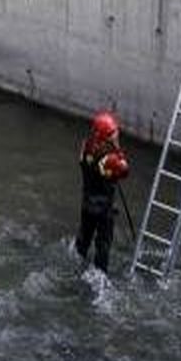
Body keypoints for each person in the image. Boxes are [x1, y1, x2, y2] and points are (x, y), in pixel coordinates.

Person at [75, 110, 130, 274]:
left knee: (84, 237)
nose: (116, 135)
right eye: (113, 133)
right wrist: (118, 150)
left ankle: (79, 258)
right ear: (106, 135)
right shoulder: (110, 159)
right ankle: (100, 274)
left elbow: (84, 164)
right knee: (103, 244)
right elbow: (125, 170)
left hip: (87, 204)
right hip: (103, 209)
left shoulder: (86, 146)